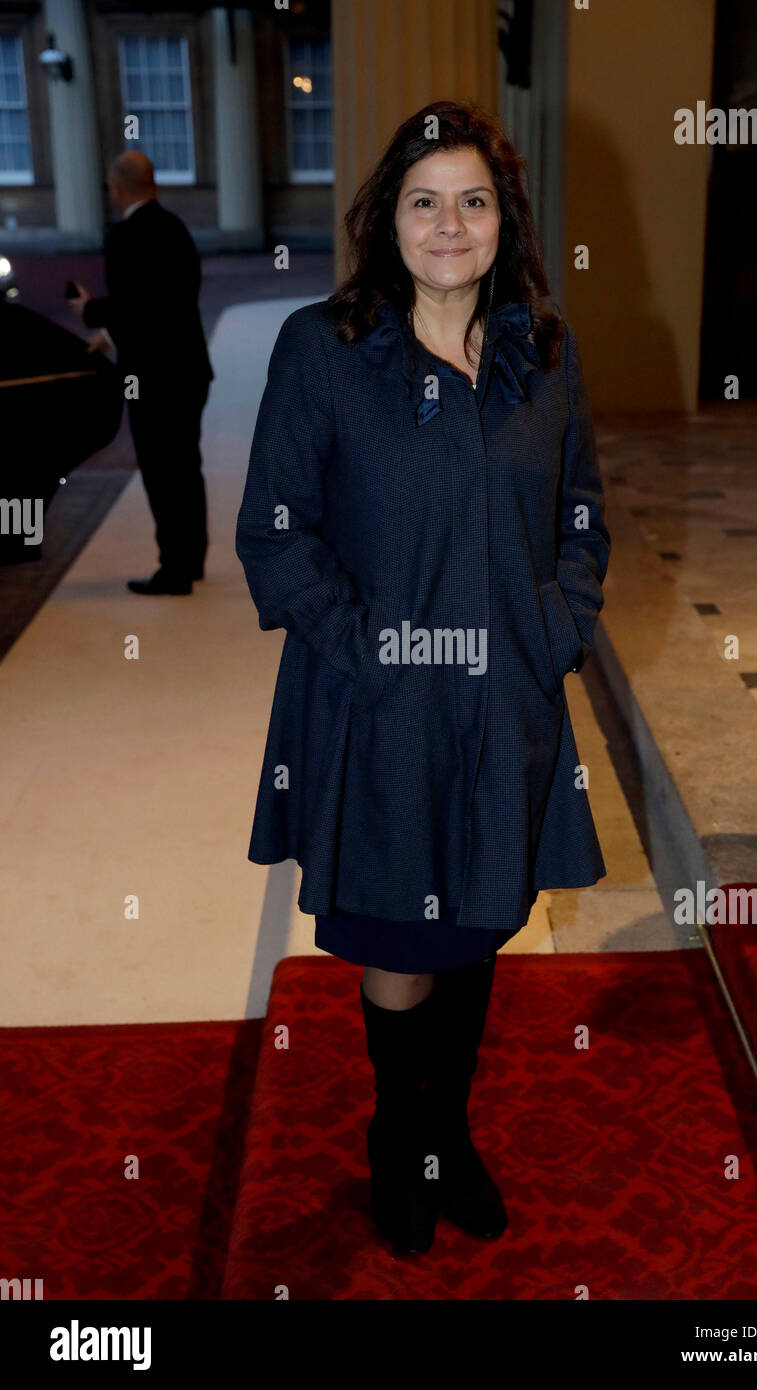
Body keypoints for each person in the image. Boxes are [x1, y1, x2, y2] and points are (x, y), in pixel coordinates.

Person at [236, 101, 610, 1256]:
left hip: (505, 705)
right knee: (400, 938)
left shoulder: (544, 354)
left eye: (473, 200)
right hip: (377, 708)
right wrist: (367, 656)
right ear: (385, 218)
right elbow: (276, 534)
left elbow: (582, 519)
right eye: (423, 200)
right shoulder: (325, 349)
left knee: (481, 918)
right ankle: (400, 1135)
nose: (450, 224)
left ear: (505, 220)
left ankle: (447, 1133)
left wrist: (557, 626)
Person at [69, 151, 213, 595]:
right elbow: (165, 302)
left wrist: (89, 310)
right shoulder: (175, 229)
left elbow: (134, 305)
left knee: (160, 471)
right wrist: (110, 336)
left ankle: (173, 569)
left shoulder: (126, 236)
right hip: (189, 369)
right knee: (185, 466)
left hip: (152, 377)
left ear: (117, 188)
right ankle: (190, 560)